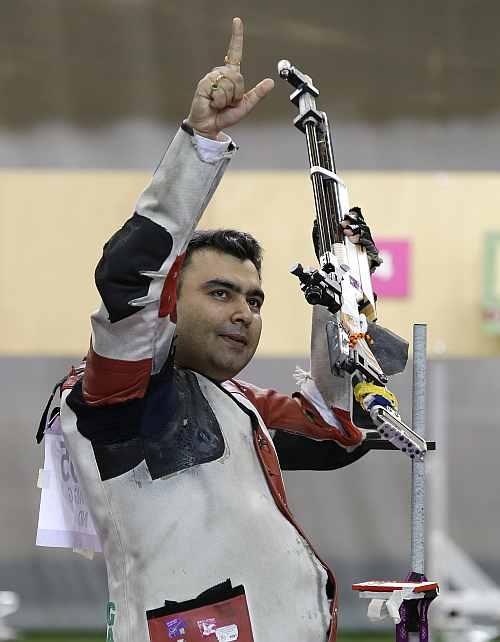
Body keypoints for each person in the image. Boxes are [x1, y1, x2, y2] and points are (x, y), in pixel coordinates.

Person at [59, 17, 378, 642]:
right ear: (169, 303)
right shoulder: (121, 394)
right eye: (221, 292)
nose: (244, 313)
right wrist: (198, 147)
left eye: (256, 300)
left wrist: (345, 301)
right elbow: (129, 280)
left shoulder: (235, 405)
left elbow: (334, 432)